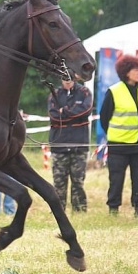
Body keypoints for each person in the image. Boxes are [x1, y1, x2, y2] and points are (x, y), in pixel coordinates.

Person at [100, 55, 138, 217]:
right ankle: (113, 209)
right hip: (118, 144)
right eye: (135, 70)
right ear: (126, 72)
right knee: (116, 180)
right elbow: (104, 117)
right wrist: (116, 133)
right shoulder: (114, 91)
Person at [47, 76, 93, 212]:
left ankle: (79, 210)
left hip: (79, 145)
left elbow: (86, 110)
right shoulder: (54, 94)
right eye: (64, 77)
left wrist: (65, 111)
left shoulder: (85, 92)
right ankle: (58, 211)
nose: (67, 80)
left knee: (78, 182)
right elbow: (54, 116)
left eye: (70, 77)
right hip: (59, 145)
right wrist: (74, 114)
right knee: (59, 183)